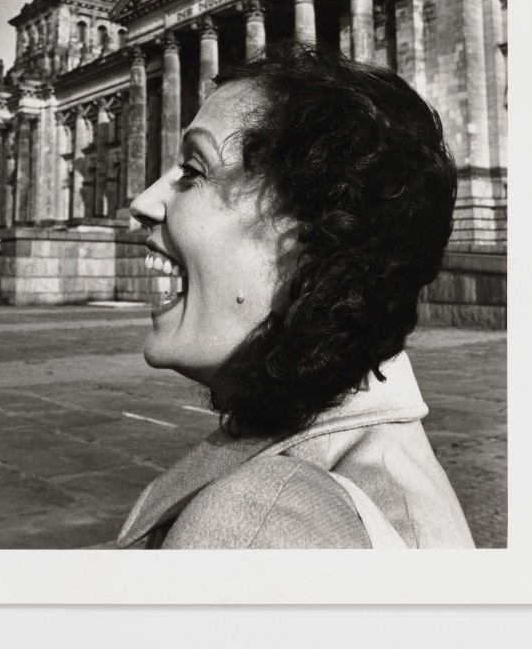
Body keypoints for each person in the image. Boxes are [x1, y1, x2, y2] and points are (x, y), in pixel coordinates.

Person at [117, 41, 474, 550]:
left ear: (315, 235)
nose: (143, 201)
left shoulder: (260, 524)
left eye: (193, 171)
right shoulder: (369, 458)